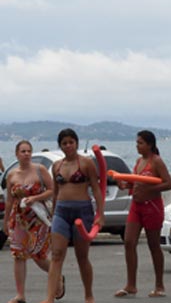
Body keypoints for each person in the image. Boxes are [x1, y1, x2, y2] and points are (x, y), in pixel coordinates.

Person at [41, 129, 104, 303]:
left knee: (81, 256)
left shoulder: (86, 164)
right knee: (56, 255)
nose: (68, 146)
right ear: (60, 145)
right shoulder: (57, 166)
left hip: (82, 211)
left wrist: (100, 214)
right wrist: (53, 215)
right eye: (64, 143)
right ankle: (49, 298)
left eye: (71, 142)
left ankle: (88, 295)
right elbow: (55, 192)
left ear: (76, 143)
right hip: (61, 211)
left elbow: (97, 189)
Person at [115, 130, 171, 298]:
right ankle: (131, 285)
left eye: (140, 143)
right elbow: (135, 184)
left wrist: (151, 188)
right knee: (128, 241)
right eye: (137, 142)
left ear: (149, 144)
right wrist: (125, 186)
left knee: (153, 245)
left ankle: (159, 285)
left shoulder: (157, 162)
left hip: (152, 206)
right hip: (136, 205)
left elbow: (168, 183)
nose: (137, 146)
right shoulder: (139, 161)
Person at [4, 140, 63, 303]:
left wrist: (35, 197)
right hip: (19, 219)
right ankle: (20, 294)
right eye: (23, 151)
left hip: (38, 218)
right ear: (17, 154)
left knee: (38, 255)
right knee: (18, 255)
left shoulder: (40, 170)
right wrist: (6, 221)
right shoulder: (12, 175)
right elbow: (9, 200)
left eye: (29, 151)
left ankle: (57, 277)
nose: (27, 154)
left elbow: (52, 190)